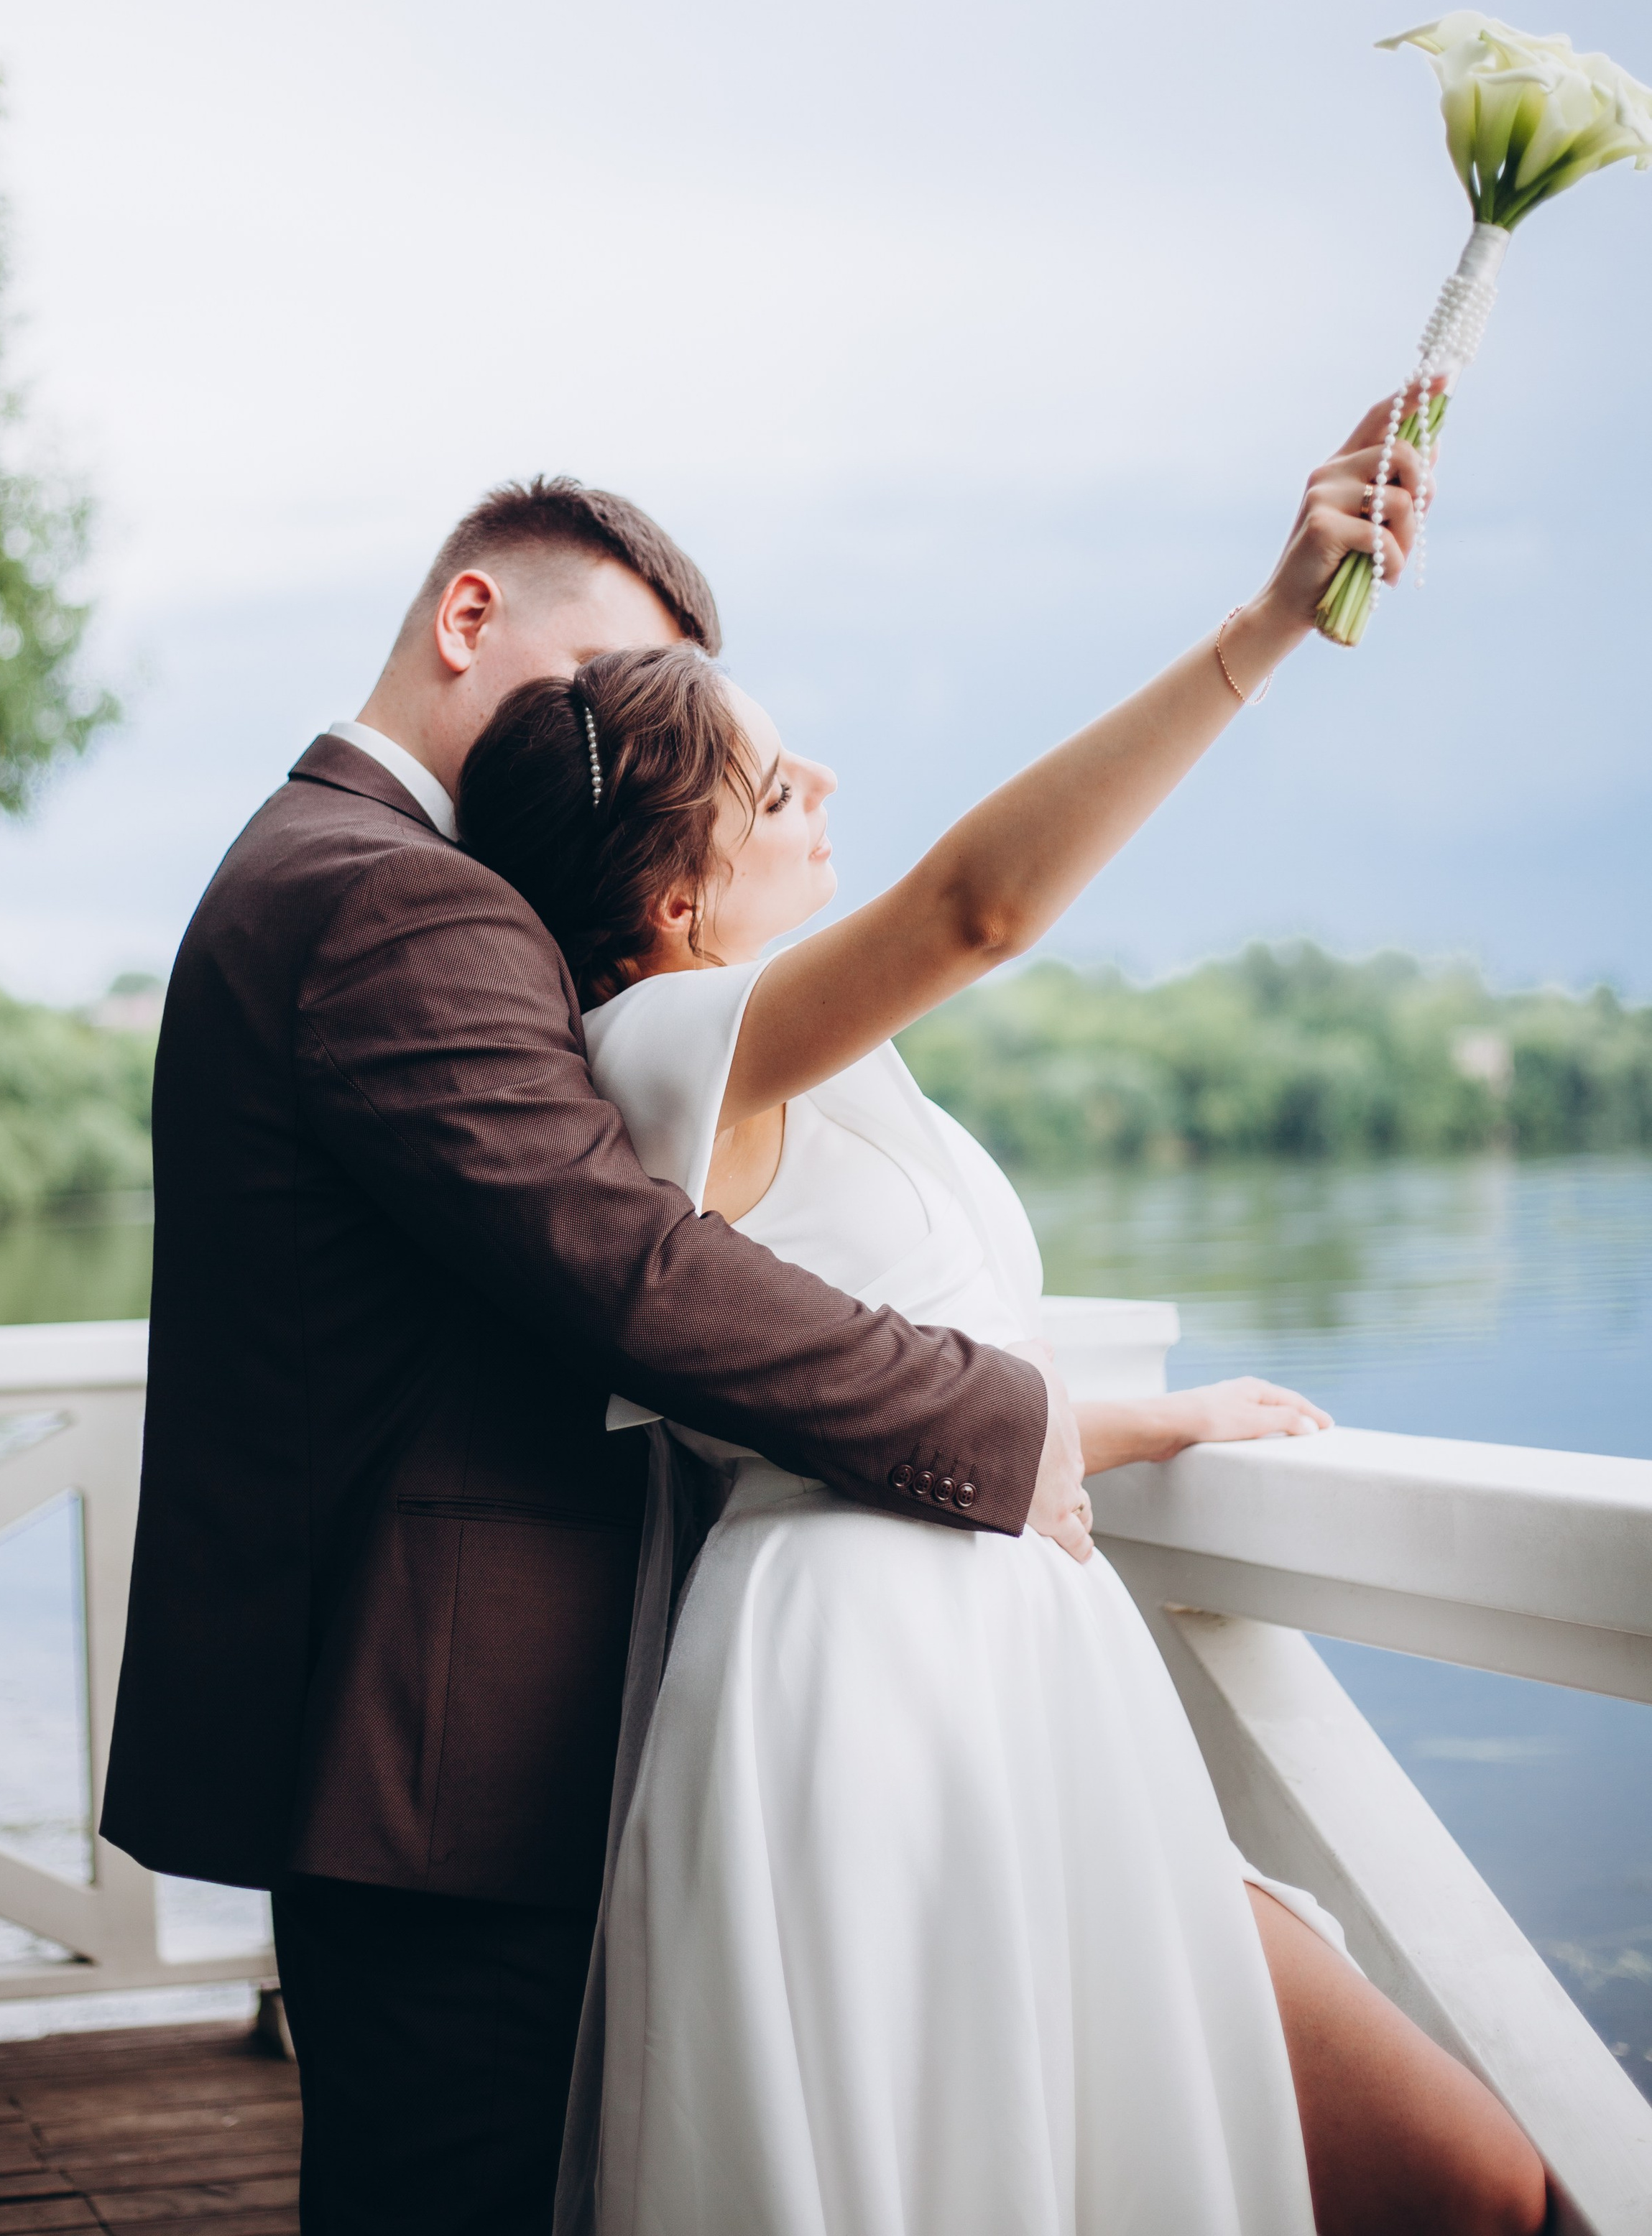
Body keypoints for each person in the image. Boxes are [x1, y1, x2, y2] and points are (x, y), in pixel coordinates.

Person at [454, 399, 1551, 2236]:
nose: (822, 807)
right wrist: (1261, 622)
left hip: (999, 1664)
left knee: (1460, 2183)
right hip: (875, 1691)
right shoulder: (656, 1047)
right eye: (775, 789)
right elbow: (978, 907)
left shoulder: (803, 1079)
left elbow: (894, 1367)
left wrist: (1151, 1422)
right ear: (665, 897)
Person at [101, 476, 1065, 2236]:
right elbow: (621, 1271)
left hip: (401, 1745)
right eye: (598, 679)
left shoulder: (317, 864)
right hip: (447, 1754)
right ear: (468, 622)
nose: (620, 739)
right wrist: (999, 1422)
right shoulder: (393, 896)